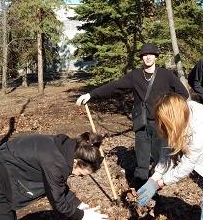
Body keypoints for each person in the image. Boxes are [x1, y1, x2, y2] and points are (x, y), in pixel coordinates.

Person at [76, 43, 189, 189]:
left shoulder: (165, 75)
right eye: (144, 55)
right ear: (142, 57)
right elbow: (114, 86)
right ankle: (140, 190)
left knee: (159, 159)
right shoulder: (135, 75)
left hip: (161, 124)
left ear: (155, 56)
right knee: (141, 161)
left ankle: (154, 191)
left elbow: (183, 94)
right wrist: (91, 94)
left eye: (150, 54)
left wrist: (171, 111)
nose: (148, 57)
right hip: (141, 123)